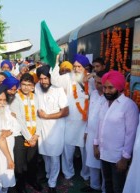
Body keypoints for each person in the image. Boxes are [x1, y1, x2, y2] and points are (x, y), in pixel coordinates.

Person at [94, 70, 139, 193]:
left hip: (118, 158)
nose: (107, 91)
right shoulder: (104, 104)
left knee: (118, 187)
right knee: (107, 183)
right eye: (105, 87)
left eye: (110, 88)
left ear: (119, 87)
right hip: (104, 153)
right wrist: (95, 145)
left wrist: (125, 158)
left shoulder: (129, 106)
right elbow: (100, 125)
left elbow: (131, 134)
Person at [51, 54, 91, 183]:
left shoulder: (91, 80)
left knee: (85, 152)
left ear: (85, 67)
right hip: (69, 120)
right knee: (67, 150)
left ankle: (86, 174)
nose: (76, 69)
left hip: (85, 122)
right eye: (74, 66)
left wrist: (93, 76)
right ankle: (68, 173)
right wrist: (56, 62)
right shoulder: (68, 77)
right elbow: (55, 80)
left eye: (79, 66)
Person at [35, 65, 69, 193]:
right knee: (45, 155)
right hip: (41, 128)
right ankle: (48, 175)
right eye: (41, 78)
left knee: (54, 157)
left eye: (45, 78)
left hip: (55, 129)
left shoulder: (58, 88)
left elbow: (65, 111)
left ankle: (52, 183)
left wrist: (47, 116)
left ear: (50, 78)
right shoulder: (37, 87)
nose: (43, 81)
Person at [10, 73, 42, 193]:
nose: (26, 87)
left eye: (29, 85)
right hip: (20, 136)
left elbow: (39, 117)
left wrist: (37, 134)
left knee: (32, 161)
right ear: (20, 84)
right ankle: (21, 185)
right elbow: (19, 120)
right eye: (23, 84)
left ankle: (32, 180)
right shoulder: (15, 98)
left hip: (34, 134)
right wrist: (29, 138)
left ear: (33, 86)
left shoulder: (36, 97)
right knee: (20, 163)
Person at [0, 85, 22, 192]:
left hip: (9, 148)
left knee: (7, 178)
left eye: (4, 100)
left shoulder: (7, 110)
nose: (2, 102)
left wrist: (9, 131)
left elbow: (17, 127)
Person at [81, 71, 106, 192]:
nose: (97, 85)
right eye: (96, 82)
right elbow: (90, 114)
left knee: (103, 166)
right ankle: (94, 186)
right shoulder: (94, 94)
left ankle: (104, 189)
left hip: (103, 137)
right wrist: (86, 131)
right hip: (91, 134)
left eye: (100, 83)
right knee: (91, 162)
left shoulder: (109, 98)